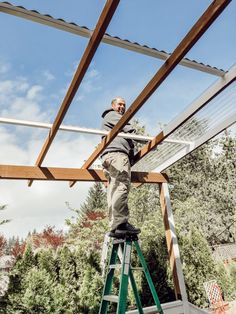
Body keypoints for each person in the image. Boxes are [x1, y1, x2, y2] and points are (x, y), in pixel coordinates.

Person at [101, 96, 141, 237]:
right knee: (122, 185)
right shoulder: (113, 115)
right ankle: (121, 223)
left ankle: (114, 225)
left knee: (114, 188)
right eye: (119, 104)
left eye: (124, 105)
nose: (122, 107)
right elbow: (128, 129)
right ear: (113, 105)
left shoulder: (111, 119)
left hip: (110, 156)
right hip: (117, 155)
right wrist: (146, 140)